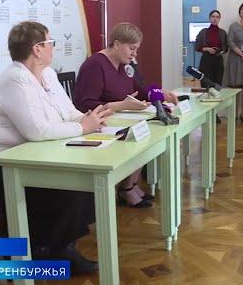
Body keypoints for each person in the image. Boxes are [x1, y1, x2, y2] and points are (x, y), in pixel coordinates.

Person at [0, 21, 111, 274]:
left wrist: (90, 118)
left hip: (17, 156)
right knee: (69, 192)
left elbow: (68, 112)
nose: (53, 48)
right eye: (51, 43)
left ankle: (48, 245)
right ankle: (55, 251)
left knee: (82, 184)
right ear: (37, 49)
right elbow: (38, 131)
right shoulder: (15, 80)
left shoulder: (47, 74)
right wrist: (83, 127)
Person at [74, 22, 179, 207]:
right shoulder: (95, 65)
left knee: (147, 132)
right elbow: (85, 104)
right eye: (131, 48)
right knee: (140, 136)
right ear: (116, 44)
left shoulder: (125, 65)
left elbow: (140, 89)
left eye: (136, 49)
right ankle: (126, 188)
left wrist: (160, 93)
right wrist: (120, 106)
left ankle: (130, 184)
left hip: (118, 121)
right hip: (98, 126)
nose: (134, 54)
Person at [195, 9, 228, 123]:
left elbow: (226, 48)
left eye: (217, 17)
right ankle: (207, 113)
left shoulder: (223, 33)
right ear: (210, 18)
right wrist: (208, 49)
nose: (215, 18)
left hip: (218, 62)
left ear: (219, 19)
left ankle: (215, 113)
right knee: (206, 85)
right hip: (206, 61)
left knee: (216, 86)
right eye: (213, 16)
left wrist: (219, 51)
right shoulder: (203, 32)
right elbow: (197, 46)